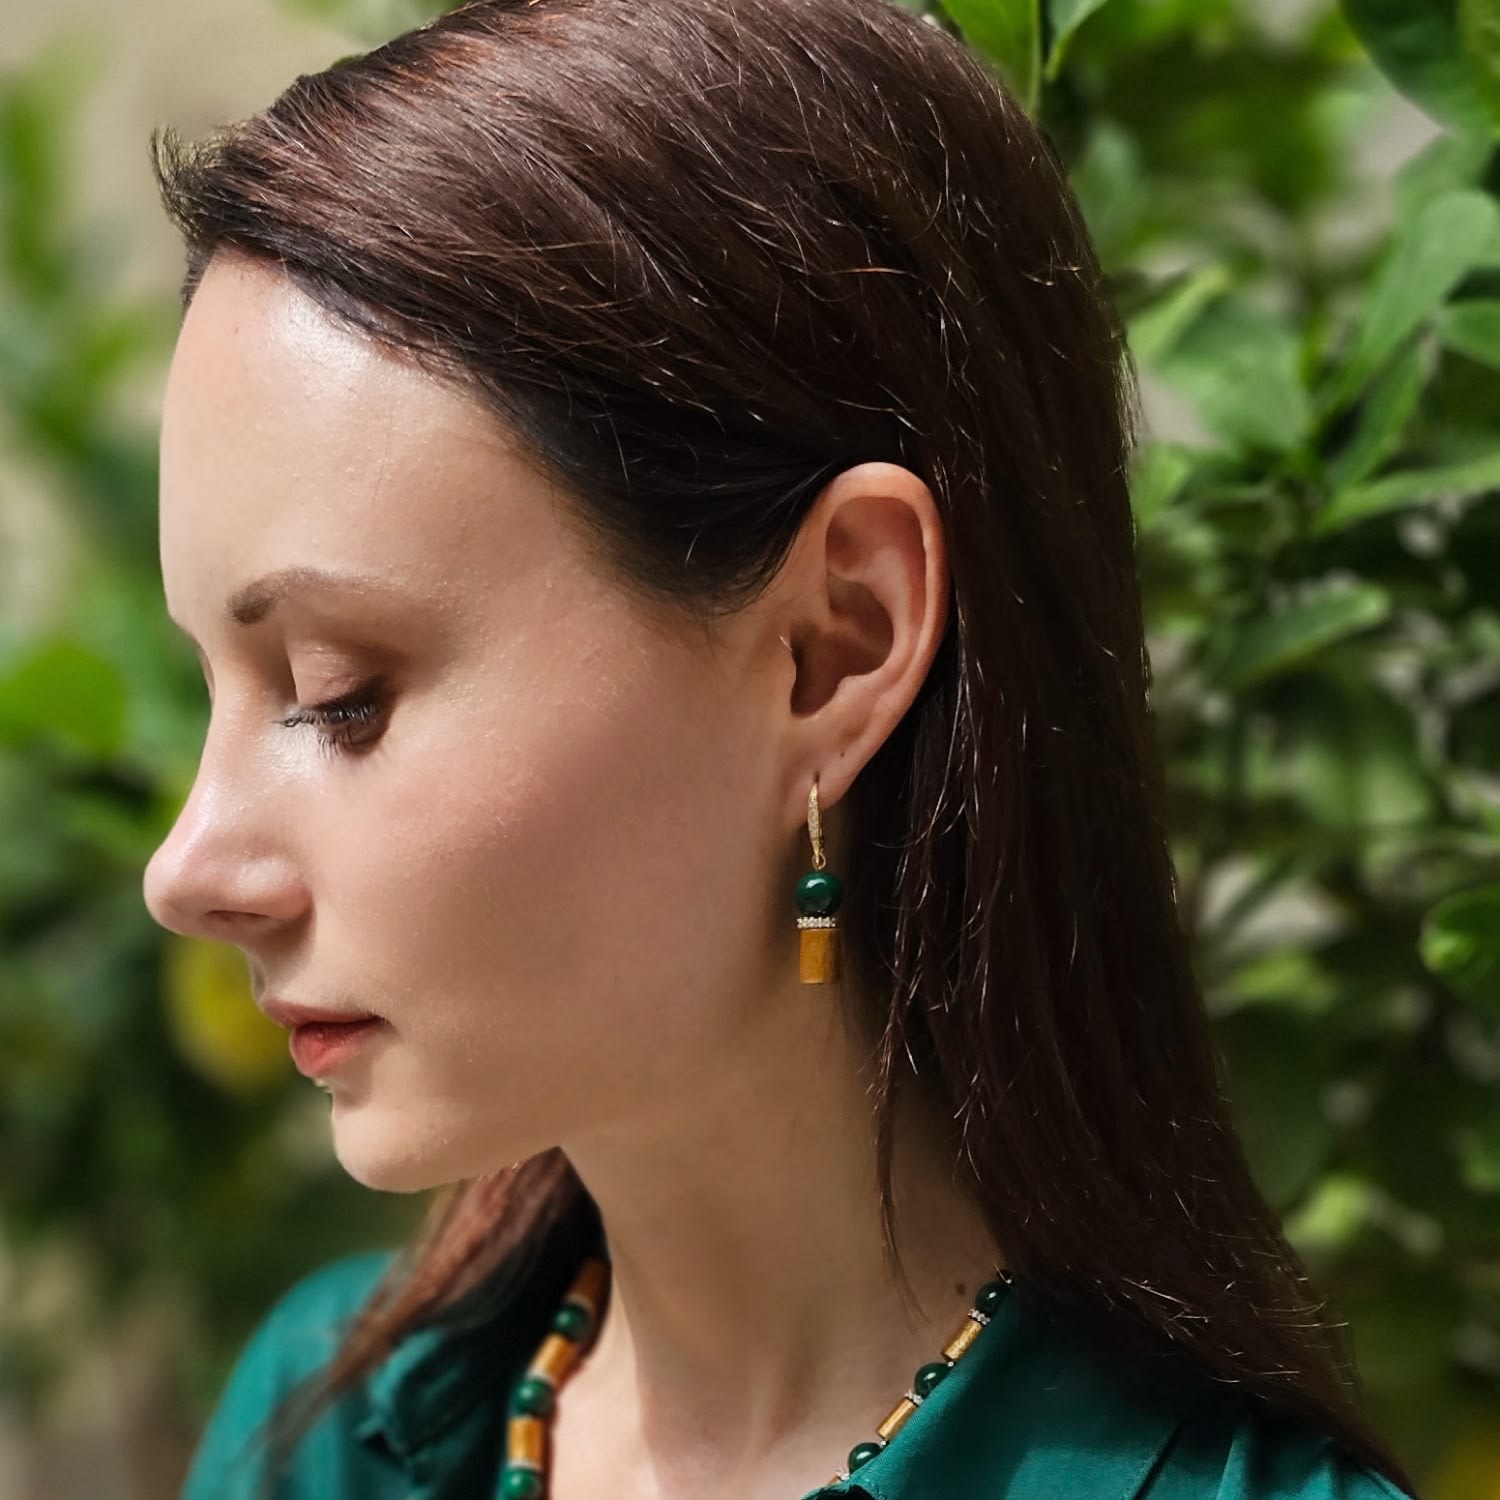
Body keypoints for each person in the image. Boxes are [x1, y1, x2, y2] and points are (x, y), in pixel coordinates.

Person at [139, 1, 1420, 1497]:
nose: (188, 867)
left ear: (838, 643)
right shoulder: (332, 1431)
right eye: (210, 686)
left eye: (338, 691)